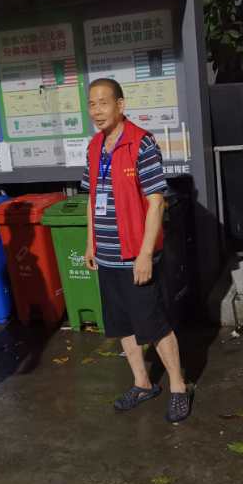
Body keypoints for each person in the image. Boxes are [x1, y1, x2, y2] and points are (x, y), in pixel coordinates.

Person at [81, 78, 192, 423]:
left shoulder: (141, 143)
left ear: (120, 105)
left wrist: (145, 254)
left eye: (103, 103)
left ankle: (178, 387)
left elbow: (156, 203)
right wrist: (91, 242)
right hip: (107, 256)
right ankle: (142, 383)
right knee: (122, 325)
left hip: (134, 255)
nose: (97, 111)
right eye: (92, 104)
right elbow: (91, 198)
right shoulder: (94, 147)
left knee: (154, 324)